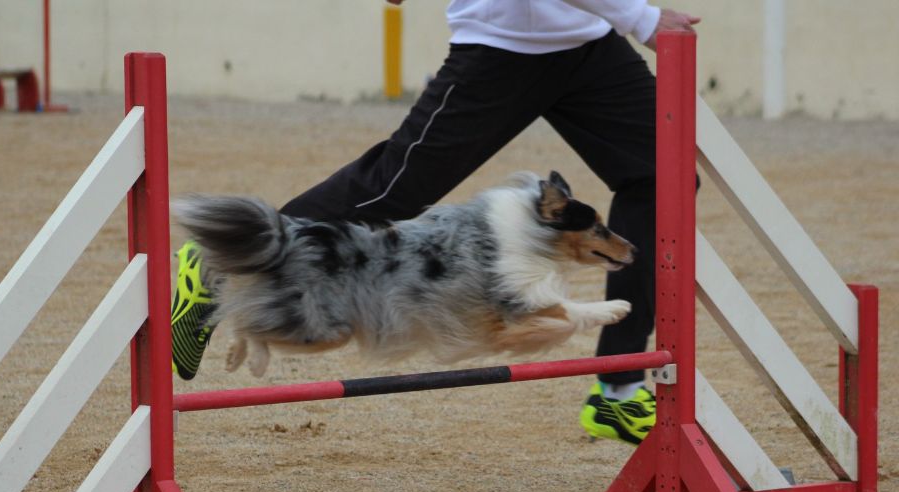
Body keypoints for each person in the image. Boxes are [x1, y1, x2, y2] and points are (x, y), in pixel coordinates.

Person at [170, 0, 700, 445]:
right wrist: (641, 17)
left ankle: (619, 386)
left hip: (589, 44)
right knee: (393, 190)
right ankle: (225, 258)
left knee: (665, 179)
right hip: (501, 46)